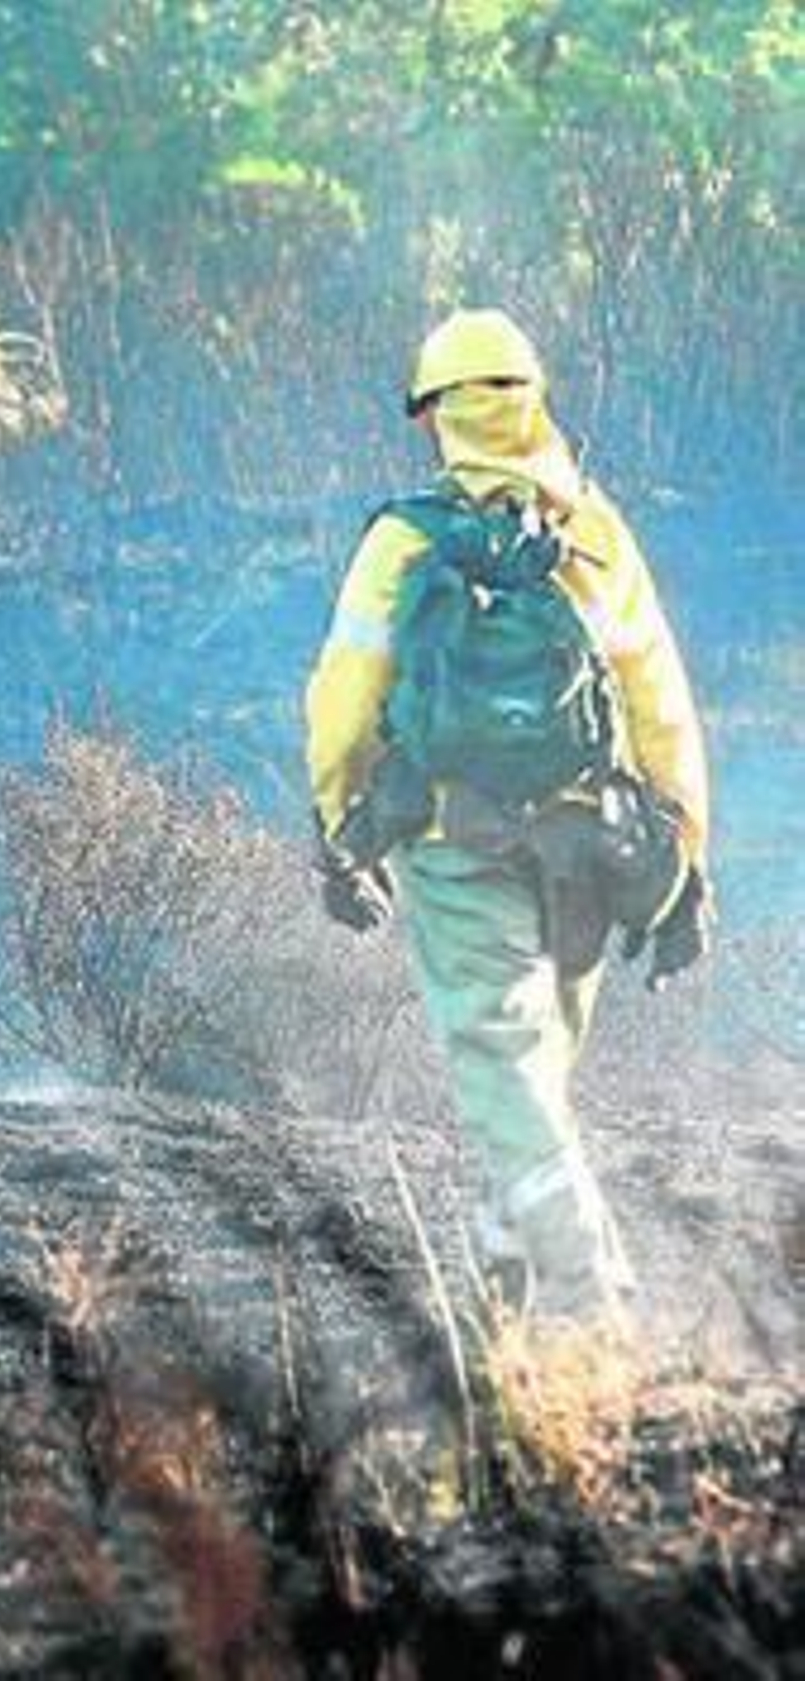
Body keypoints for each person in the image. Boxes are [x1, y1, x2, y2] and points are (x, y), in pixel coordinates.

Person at [304, 308, 712, 1322]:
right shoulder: (595, 532)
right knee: (532, 1085)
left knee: (506, 1076)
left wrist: (339, 821)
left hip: (452, 842)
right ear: (534, 402)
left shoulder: (404, 538)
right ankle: (501, 1294)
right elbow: (660, 702)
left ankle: (592, 1295)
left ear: (433, 416)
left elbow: (343, 694)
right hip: (587, 851)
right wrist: (683, 858)